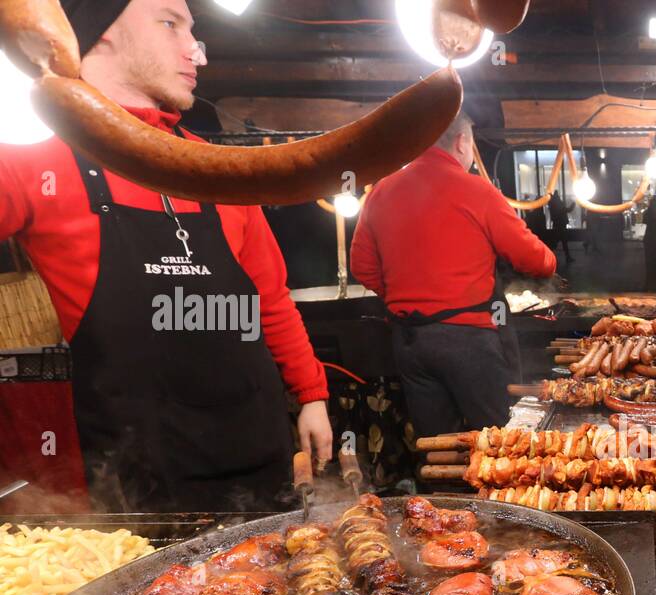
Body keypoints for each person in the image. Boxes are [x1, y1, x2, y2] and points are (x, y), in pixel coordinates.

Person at [0, 0, 331, 513]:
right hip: (146, 487)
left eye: (193, 32)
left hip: (259, 457)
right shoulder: (32, 160)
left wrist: (311, 395)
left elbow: (270, 298)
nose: (196, 53)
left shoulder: (219, 167)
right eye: (170, 23)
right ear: (102, 32)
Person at [351, 112, 557, 440]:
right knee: (500, 443)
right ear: (461, 142)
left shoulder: (380, 191)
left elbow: (361, 267)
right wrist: (548, 256)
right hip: (471, 342)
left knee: (436, 444)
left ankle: (441, 490)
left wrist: (405, 296)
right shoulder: (477, 191)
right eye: (472, 144)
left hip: (410, 341)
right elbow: (538, 261)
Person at [547, 193, 573, 262]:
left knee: (556, 242)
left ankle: (548, 256)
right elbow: (566, 210)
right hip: (560, 226)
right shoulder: (557, 205)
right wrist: (573, 205)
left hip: (558, 225)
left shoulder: (553, 205)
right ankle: (567, 257)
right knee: (560, 242)